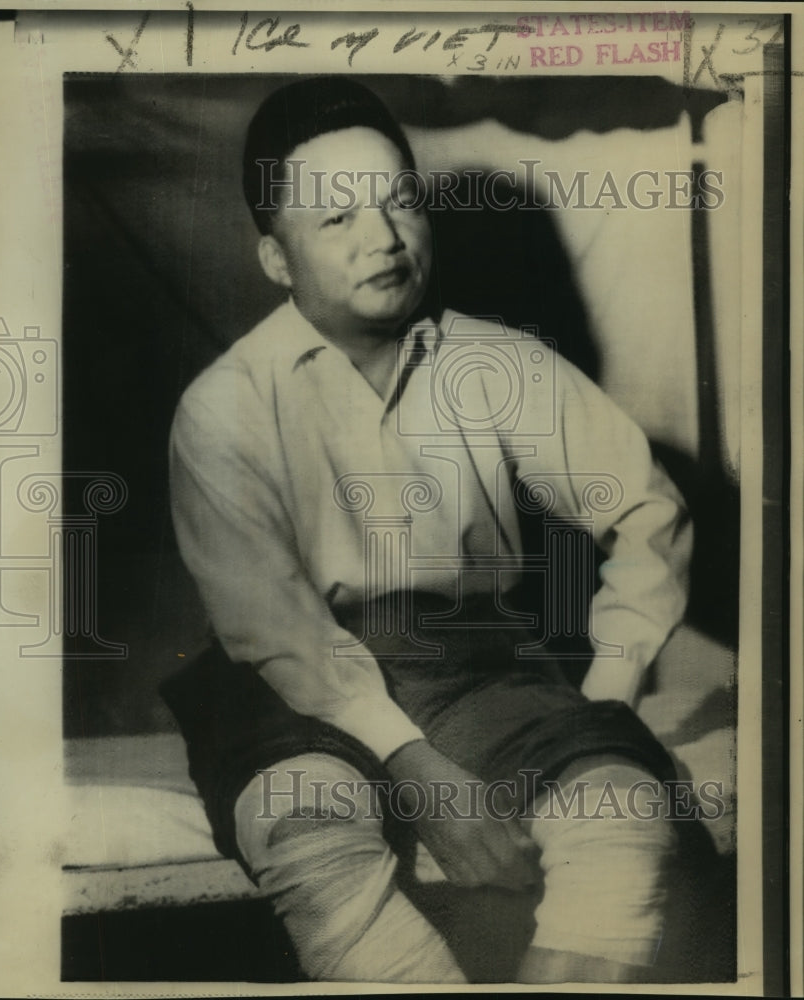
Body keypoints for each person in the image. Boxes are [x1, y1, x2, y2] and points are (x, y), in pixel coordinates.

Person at [164, 76, 693, 984]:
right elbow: (279, 634)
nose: (383, 238)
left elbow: (650, 512)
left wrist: (609, 689)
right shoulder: (223, 408)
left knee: (623, 819)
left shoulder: (500, 363)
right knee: (311, 832)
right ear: (276, 259)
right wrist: (424, 775)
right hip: (290, 686)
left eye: (399, 202)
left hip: (479, 665)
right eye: (335, 220)